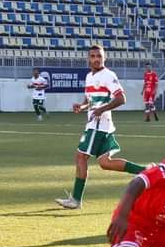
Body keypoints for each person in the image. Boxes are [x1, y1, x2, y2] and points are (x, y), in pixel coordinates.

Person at [55, 44, 147, 210]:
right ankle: (147, 171)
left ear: (105, 57)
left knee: (81, 157)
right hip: (98, 124)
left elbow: (122, 98)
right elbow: (90, 101)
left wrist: (102, 109)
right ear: (88, 59)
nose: (96, 59)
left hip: (98, 125)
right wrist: (82, 107)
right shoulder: (89, 76)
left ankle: (75, 200)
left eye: (99, 56)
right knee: (105, 163)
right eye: (93, 56)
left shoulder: (108, 75)